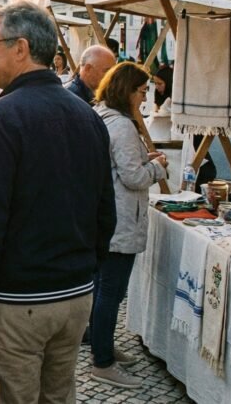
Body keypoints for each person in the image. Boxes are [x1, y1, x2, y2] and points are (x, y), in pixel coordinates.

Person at [0, 2, 116, 404]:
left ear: (20, 48)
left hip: (18, 302)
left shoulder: (1, 117)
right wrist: (83, 270)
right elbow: (105, 214)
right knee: (58, 397)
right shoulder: (88, 116)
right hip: (74, 296)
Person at [91, 62, 168, 389]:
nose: (144, 97)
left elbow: (119, 164)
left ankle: (104, 347)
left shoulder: (104, 115)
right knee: (110, 292)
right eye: (141, 91)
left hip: (108, 216)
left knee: (103, 289)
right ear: (127, 90)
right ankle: (102, 361)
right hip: (120, 219)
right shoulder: (121, 125)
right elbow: (133, 177)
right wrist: (158, 168)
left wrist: (143, 160)